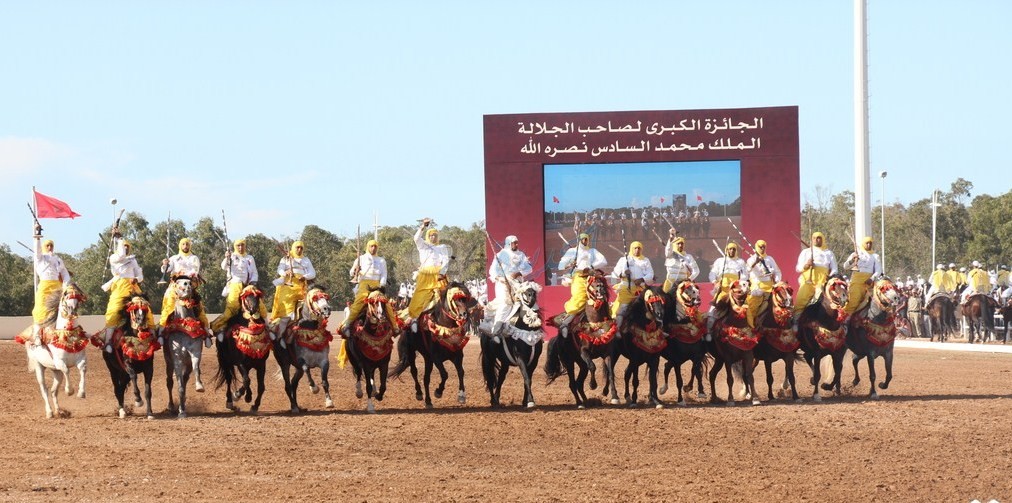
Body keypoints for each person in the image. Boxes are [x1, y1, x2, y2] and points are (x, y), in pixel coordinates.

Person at [101, 233, 153, 352]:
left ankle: (152, 334)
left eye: (127, 247)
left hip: (132, 287)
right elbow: (121, 255)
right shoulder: (114, 257)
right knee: (113, 311)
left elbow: (139, 274)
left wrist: (137, 279)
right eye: (124, 247)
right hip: (119, 287)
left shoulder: (132, 259)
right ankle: (108, 341)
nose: (126, 248)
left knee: (146, 309)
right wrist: (119, 239)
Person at [339, 239, 400, 337]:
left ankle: (395, 327)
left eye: (375, 246)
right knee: (358, 302)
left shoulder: (381, 260)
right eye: (371, 246)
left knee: (385, 303)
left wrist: (382, 285)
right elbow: (351, 273)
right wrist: (356, 270)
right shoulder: (361, 258)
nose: (373, 248)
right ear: (368, 247)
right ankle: (347, 324)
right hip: (364, 284)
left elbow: (384, 274)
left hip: (377, 285)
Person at [211, 238, 267, 338]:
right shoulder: (231, 256)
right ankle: (218, 327)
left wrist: (253, 282)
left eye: (242, 245)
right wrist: (226, 258)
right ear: (235, 247)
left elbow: (254, 272)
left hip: (248, 285)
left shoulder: (250, 258)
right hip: (234, 285)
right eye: (238, 246)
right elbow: (223, 266)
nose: (240, 248)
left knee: (259, 304)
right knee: (232, 308)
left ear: (245, 246)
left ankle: (268, 327)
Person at [402, 218, 451, 330]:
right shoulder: (422, 245)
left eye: (435, 235)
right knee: (419, 297)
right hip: (425, 275)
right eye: (431, 235)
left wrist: (442, 272)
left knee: (446, 296)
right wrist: (423, 226)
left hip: (439, 275)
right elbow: (416, 238)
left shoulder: (442, 247)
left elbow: (446, 260)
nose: (433, 237)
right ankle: (414, 320)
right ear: (428, 236)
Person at [556, 233, 607, 337]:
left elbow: (603, 261)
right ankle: (565, 323)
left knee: (600, 297)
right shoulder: (572, 251)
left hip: (591, 278)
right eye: (583, 239)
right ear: (579, 240)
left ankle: (603, 323)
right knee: (580, 298)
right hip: (578, 278)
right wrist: (570, 264)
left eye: (586, 239)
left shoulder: (592, 251)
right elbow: (560, 266)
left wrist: (591, 266)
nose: (584, 241)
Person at [30, 224, 71, 344]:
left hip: (57, 287)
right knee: (40, 309)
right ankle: (37, 334)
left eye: (51, 245)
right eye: (47, 245)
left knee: (64, 308)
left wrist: (66, 285)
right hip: (44, 286)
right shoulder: (40, 258)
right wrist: (37, 236)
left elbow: (65, 273)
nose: (49, 247)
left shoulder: (58, 259)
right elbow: (37, 249)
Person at [158, 237, 209, 333]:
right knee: (168, 300)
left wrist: (187, 274)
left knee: (199, 305)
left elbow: (195, 270)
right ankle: (162, 328)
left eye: (187, 244)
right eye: (183, 244)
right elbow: (166, 270)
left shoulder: (194, 258)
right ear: (180, 245)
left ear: (190, 246)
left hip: (190, 284)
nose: (185, 246)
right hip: (175, 285)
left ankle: (206, 330)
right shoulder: (173, 258)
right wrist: (165, 264)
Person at [487, 235, 533, 339]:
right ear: (508, 243)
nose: (516, 244)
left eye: (517, 242)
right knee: (506, 304)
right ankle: (496, 331)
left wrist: (519, 273)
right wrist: (499, 278)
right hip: (503, 283)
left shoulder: (521, 255)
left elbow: (529, 268)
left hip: (518, 283)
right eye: (514, 243)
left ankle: (531, 331)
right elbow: (492, 271)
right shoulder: (501, 254)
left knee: (528, 303)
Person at [270, 240, 316, 336]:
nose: (299, 249)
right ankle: (282, 333)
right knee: (287, 305)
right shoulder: (286, 258)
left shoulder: (306, 259)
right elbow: (280, 269)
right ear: (293, 248)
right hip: (288, 285)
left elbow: (312, 273)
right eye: (297, 247)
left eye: (301, 248)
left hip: (302, 286)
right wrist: (285, 273)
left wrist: (305, 277)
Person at [610, 241, 654, 329]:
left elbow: (651, 274)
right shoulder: (623, 260)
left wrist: (642, 279)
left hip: (641, 288)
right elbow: (614, 274)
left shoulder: (645, 260)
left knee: (654, 306)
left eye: (639, 248)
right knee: (623, 307)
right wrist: (624, 273)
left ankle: (658, 327)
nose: (637, 250)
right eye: (635, 248)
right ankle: (617, 328)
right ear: (631, 249)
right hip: (626, 287)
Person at [707, 241, 746, 336]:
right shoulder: (720, 261)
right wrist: (715, 282)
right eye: (730, 249)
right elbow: (712, 273)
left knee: (748, 310)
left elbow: (745, 275)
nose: (732, 251)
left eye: (734, 249)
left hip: (736, 290)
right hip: (723, 290)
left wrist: (740, 283)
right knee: (712, 312)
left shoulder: (740, 262)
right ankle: (709, 332)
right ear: (727, 250)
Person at [793, 231, 838, 312]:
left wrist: (830, 276)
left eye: (818, 238)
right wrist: (806, 265)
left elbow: (835, 269)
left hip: (823, 281)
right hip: (807, 281)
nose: (816, 240)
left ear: (822, 240)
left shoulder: (829, 253)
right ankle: (795, 321)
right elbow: (798, 268)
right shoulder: (806, 252)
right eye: (814, 238)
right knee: (800, 300)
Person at [744, 239, 782, 329]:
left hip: (771, 286)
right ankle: (750, 326)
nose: (762, 248)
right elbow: (746, 271)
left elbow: (777, 271)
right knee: (752, 308)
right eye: (760, 247)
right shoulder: (751, 259)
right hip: (757, 287)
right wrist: (755, 262)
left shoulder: (770, 259)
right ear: (756, 247)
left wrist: (776, 281)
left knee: (785, 303)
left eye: (764, 246)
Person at [842, 236, 884, 314]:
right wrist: (852, 260)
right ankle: (846, 321)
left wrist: (872, 278)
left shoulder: (875, 256)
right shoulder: (856, 253)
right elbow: (845, 266)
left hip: (869, 282)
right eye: (867, 243)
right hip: (856, 281)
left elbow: (878, 270)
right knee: (853, 301)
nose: (869, 245)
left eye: (870, 243)